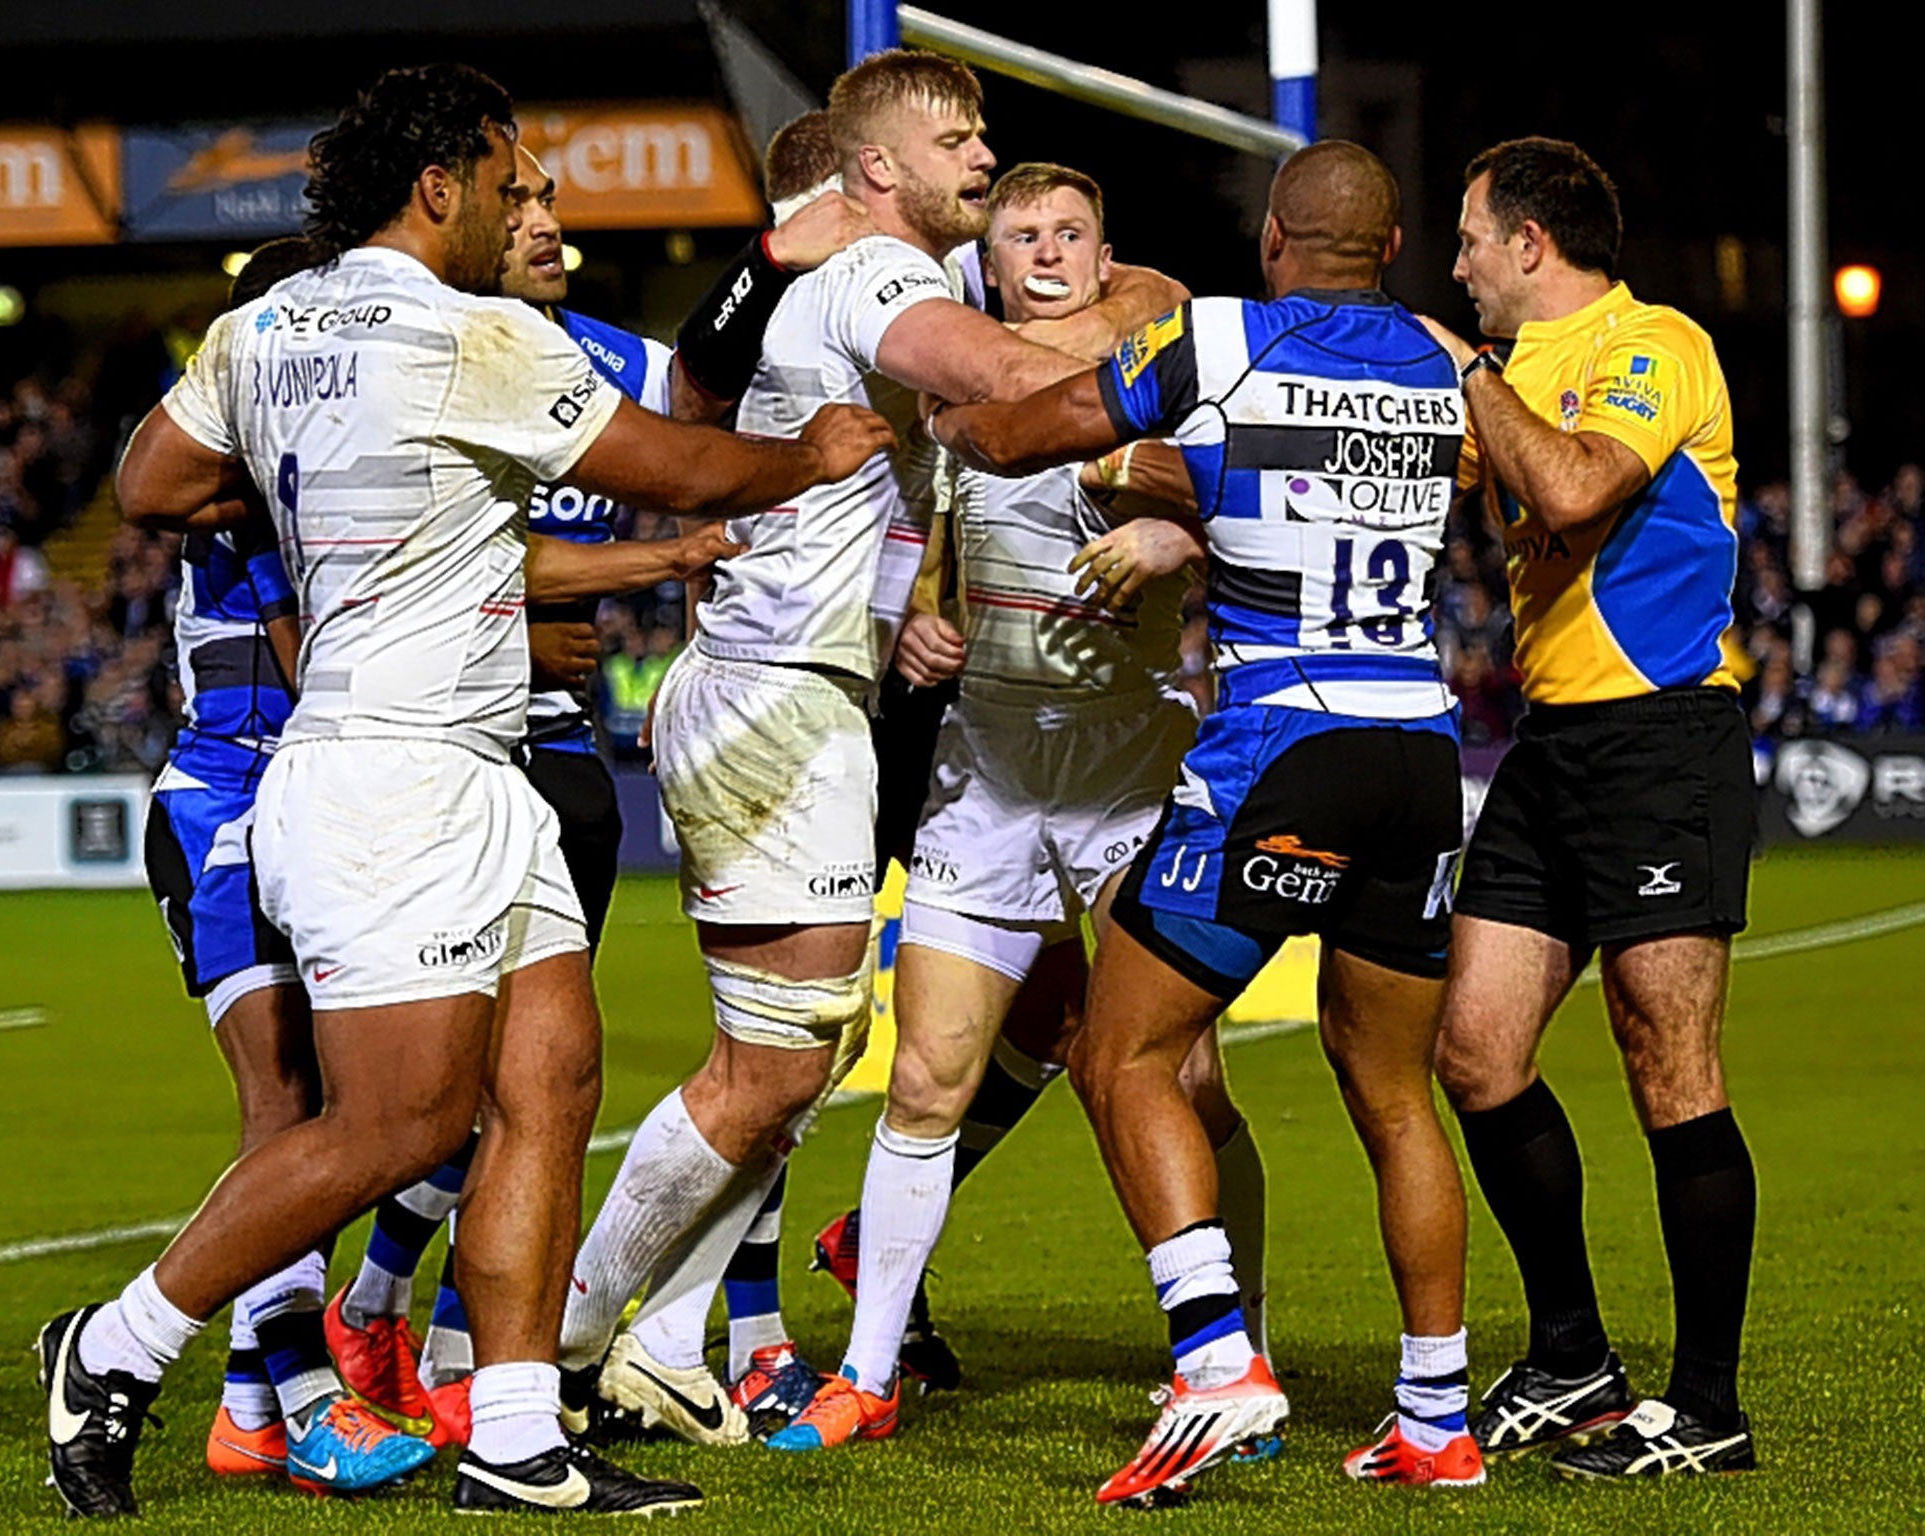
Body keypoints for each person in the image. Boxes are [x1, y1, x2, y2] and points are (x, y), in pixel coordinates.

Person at [36, 61, 892, 1519]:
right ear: (439, 187)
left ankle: (515, 1435)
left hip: (469, 764)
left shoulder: (264, 327)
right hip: (388, 775)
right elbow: (675, 465)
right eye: (509, 182)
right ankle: (115, 1349)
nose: (522, 209)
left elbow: (151, 488)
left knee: (549, 1086)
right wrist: (806, 455)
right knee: (399, 1127)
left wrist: (323, 496)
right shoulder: (473, 335)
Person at [552, 46, 1104, 1432]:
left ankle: (665, 1340)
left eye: (985, 131)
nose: (982, 153)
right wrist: (1198, 377)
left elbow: (700, 384)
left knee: (796, 1053)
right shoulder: (877, 277)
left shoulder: (819, 278)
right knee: (782, 1063)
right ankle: (547, 1344)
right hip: (778, 701)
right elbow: (1003, 381)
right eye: (954, 136)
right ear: (876, 169)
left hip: (782, 693)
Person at [926, 140, 1482, 1503]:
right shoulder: (1437, 362)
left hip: (1281, 748)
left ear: (1277, 241)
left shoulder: (1214, 338)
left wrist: (935, 420)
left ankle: (1218, 1363)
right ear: (1394, 246)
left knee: (1121, 1055)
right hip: (1422, 750)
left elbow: (1015, 435)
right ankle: (1435, 1417)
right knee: (1398, 1097)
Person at [320, 134, 877, 1451]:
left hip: (563, 751)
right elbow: (431, 553)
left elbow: (710, 435)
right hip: (427, 745)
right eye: (522, 206)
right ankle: (374, 1319)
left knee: (662, 1059)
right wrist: (609, 577)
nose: (547, 225)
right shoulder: (419, 356)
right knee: (457, 1082)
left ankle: (683, 1338)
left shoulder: (615, 366)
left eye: (554, 202)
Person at [768, 160, 1267, 1455]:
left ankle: (1231, 1358)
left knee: (1189, 1083)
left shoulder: (1162, 378)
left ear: (1106, 258)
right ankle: (865, 1380)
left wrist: (1182, 538)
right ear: (986, 267)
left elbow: (1273, 517)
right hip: (988, 774)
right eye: (1022, 234)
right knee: (926, 1079)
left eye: (1071, 233)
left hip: (1128, 777)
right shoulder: (949, 394)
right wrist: (924, 609)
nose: (1045, 251)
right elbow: (922, 538)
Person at [1419, 136, 1758, 1479]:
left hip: (1662, 738)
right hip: (1553, 746)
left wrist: (1470, 378)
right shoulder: (1504, 380)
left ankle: (1709, 1406)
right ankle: (1572, 1357)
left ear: (1531, 243)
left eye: (1467, 238)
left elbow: (1566, 488)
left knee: (1668, 1064)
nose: (1457, 266)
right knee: (1477, 1052)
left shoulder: (1651, 343)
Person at [143, 235, 436, 1495]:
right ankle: (308, 1398)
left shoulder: (296, 475)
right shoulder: (251, 485)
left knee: (378, 1100)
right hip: (228, 808)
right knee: (286, 1105)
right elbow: (318, 646)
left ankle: (253, 1404)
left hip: (317, 797)